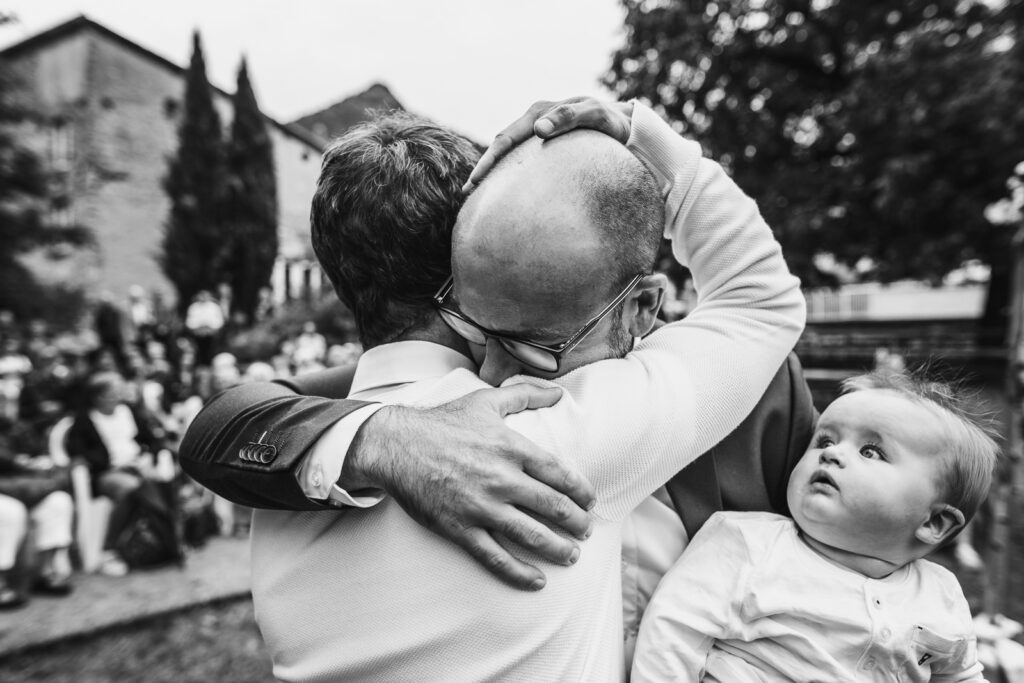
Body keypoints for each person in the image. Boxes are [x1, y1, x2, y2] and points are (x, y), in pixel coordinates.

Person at [184, 100, 805, 681]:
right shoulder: (557, 433)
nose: (504, 366)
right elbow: (760, 299)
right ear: (471, 262)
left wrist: (368, 435)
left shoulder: (284, 495)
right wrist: (641, 133)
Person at [632, 370, 996, 682]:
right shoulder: (746, 543)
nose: (832, 453)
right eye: (825, 439)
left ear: (934, 521)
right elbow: (672, 631)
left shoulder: (940, 594)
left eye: (870, 451)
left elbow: (961, 673)